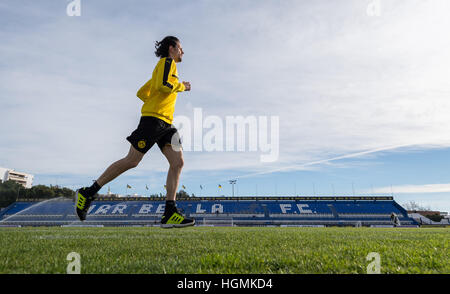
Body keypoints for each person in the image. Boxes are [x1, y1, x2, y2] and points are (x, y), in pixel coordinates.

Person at [75, 36, 195, 228]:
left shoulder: (164, 68)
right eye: (180, 48)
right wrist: (182, 87)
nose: (183, 52)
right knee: (132, 160)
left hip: (166, 123)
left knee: (178, 162)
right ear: (171, 48)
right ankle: (88, 192)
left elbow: (142, 92)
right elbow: (163, 86)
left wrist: (154, 100)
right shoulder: (167, 62)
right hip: (153, 120)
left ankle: (170, 212)